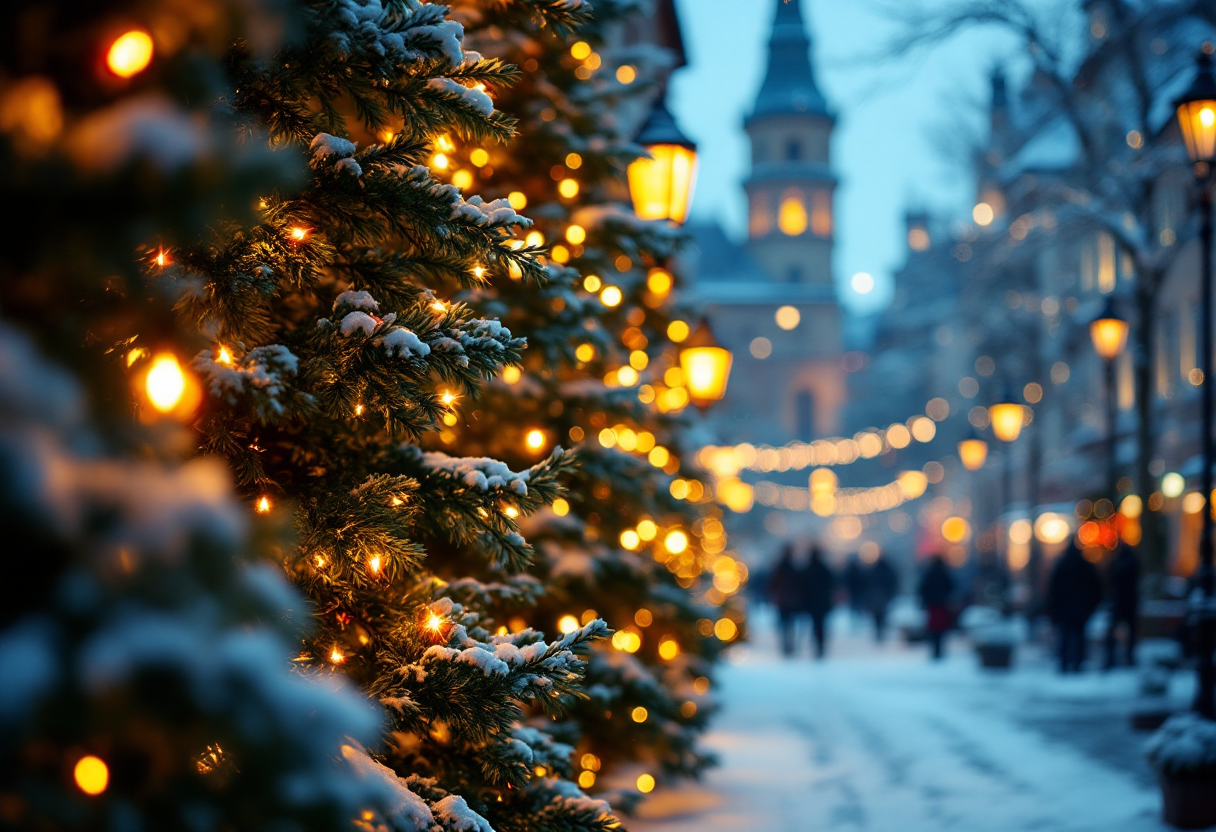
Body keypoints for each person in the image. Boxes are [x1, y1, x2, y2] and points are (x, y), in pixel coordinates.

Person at [1047, 542, 1103, 673]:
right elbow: (1096, 589)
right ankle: (1078, 663)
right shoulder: (1086, 566)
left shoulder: (1061, 566)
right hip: (1081, 610)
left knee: (1065, 637)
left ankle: (1064, 663)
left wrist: (1054, 609)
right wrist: (1091, 607)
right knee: (1080, 636)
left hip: (1065, 610)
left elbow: (1053, 590)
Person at [1103, 542, 1141, 669]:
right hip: (1130, 600)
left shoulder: (1116, 563)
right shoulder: (1133, 562)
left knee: (1113, 630)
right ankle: (1129, 657)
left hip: (1119, 600)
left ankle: (1110, 658)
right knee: (1131, 631)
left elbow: (1110, 580)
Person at [767, 545, 804, 657]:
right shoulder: (793, 568)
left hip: (782, 601)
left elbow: (772, 584)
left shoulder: (779, 568)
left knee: (784, 624)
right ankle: (788, 645)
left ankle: (786, 645)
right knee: (790, 624)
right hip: (790, 601)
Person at [918, 555, 955, 660]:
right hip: (942, 605)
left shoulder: (929, 574)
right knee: (941, 629)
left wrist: (925, 601)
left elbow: (923, 589)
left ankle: (935, 649)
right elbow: (951, 587)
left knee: (934, 629)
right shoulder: (944, 574)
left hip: (933, 606)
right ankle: (939, 649)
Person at [802, 547, 835, 659]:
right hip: (822, 602)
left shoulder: (807, 570)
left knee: (815, 623)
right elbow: (831, 584)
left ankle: (817, 642)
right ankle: (820, 644)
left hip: (811, 603)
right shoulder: (824, 570)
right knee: (821, 624)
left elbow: (803, 587)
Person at [867, 552, 899, 643]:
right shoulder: (888, 569)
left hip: (876, 595)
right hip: (884, 595)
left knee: (877, 614)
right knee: (883, 613)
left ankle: (878, 629)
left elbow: (869, 582)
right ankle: (880, 629)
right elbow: (893, 582)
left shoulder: (874, 569)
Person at [842, 554, 868, 628]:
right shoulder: (861, 570)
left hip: (854, 593)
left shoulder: (849, 570)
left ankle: (855, 623)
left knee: (853, 609)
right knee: (858, 609)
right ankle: (858, 623)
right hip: (858, 593)